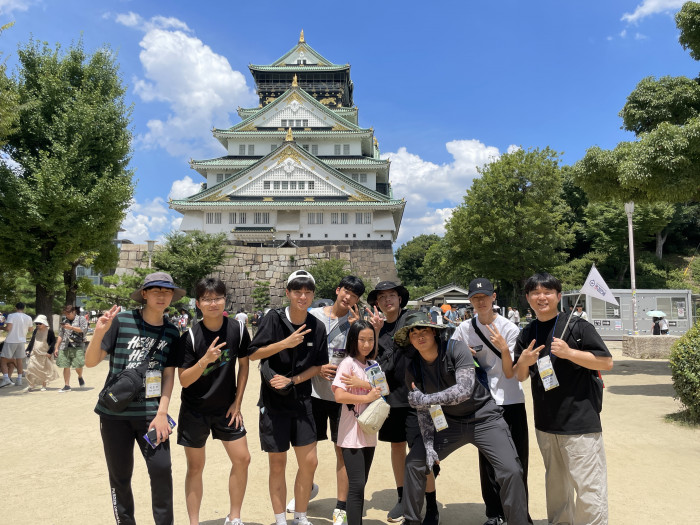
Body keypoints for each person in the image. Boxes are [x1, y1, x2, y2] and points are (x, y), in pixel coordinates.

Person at [396, 311, 529, 525]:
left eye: (424, 331)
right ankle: (411, 520)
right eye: (414, 333)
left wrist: (427, 398)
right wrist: (429, 446)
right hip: (448, 423)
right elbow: (422, 410)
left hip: (484, 418)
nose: (419, 336)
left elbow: (464, 390)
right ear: (410, 340)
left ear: (434, 333)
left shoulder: (455, 349)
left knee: (511, 471)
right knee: (415, 462)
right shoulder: (413, 366)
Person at [85, 271, 185, 525]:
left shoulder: (172, 333)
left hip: (151, 416)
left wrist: (162, 413)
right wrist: (99, 332)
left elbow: (169, 376)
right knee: (120, 477)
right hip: (114, 415)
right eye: (156, 290)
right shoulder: (122, 321)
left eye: (167, 291)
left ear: (172, 296)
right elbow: (91, 361)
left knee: (162, 471)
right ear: (144, 294)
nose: (162, 296)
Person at [514, 272, 613, 525]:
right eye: (535, 292)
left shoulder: (578, 326)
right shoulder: (527, 333)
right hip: (546, 425)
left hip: (580, 422)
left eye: (547, 292)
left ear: (559, 296)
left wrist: (570, 353)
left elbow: (606, 361)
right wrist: (523, 362)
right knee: (556, 489)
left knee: (590, 490)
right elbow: (520, 376)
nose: (541, 297)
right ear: (528, 298)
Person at [248, 270, 329, 525]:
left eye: (307, 292)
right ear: (288, 293)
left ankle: (301, 516)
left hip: (302, 400)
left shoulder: (317, 327)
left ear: (313, 295)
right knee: (277, 464)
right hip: (273, 403)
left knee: (309, 462)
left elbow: (318, 365)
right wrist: (286, 343)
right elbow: (253, 354)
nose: (302, 296)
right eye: (297, 291)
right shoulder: (273, 318)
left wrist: (293, 380)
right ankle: (281, 519)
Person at [451, 278, 531, 525]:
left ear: (493, 297)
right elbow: (449, 353)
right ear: (470, 301)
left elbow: (513, 372)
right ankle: (494, 513)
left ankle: (518, 513)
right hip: (483, 402)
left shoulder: (509, 328)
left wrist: (504, 348)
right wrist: (462, 352)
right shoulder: (465, 328)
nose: (480, 301)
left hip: (511, 400)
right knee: (488, 461)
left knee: (517, 461)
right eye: (475, 298)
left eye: (484, 296)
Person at [289, 275, 365, 525]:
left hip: (340, 397)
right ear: (338, 289)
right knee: (307, 451)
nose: (348, 298)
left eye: (354, 296)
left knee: (341, 451)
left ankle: (341, 506)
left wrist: (358, 328)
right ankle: (307, 489)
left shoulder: (355, 322)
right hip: (312, 393)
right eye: (346, 291)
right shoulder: (313, 315)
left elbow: (364, 356)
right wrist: (316, 368)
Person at [178, 277, 251, 525]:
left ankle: (235, 517)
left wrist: (237, 402)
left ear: (225, 300)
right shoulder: (190, 335)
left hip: (226, 408)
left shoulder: (238, 330)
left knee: (243, 458)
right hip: (194, 410)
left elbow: (243, 367)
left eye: (217, 298)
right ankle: (194, 522)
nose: (213, 303)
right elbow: (184, 380)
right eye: (207, 299)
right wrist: (205, 360)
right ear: (198, 303)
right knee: (195, 467)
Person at [367, 281, 438, 525]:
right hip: (389, 399)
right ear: (376, 303)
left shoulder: (412, 319)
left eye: (392, 295)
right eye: (382, 297)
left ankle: (431, 505)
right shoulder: (375, 327)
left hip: (416, 397)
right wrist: (375, 333)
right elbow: (370, 362)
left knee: (420, 452)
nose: (388, 300)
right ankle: (402, 496)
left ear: (400, 298)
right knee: (396, 448)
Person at [332, 320, 382, 525]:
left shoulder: (373, 365)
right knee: (356, 485)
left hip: (368, 430)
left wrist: (363, 384)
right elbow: (340, 396)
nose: (366, 344)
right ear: (353, 340)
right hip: (352, 430)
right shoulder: (347, 364)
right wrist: (367, 396)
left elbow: (384, 390)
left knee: (361, 485)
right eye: (362, 339)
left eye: (370, 339)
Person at [55, 305, 88, 392]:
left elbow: (83, 329)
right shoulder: (64, 321)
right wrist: (56, 348)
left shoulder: (81, 319)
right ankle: (67, 385)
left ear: (74, 312)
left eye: (68, 313)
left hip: (77, 345)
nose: (67, 315)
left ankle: (80, 376)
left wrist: (71, 327)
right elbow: (60, 335)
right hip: (65, 346)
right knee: (66, 365)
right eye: (66, 314)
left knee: (78, 365)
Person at [0, 302, 33, 387]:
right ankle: (19, 380)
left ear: (16, 308)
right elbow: (30, 329)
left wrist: (1, 327)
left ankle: (6, 378)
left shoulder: (11, 316)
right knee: (19, 360)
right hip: (22, 340)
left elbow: (8, 328)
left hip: (11, 340)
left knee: (3, 360)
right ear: (24, 308)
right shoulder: (28, 317)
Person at [24, 314, 60, 391]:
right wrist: (28, 349)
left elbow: (53, 342)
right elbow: (32, 341)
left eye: (40, 323)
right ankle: (31, 385)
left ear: (44, 323)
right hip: (34, 353)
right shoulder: (35, 330)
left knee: (44, 370)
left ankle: (44, 385)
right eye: (36, 323)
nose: (38, 325)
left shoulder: (49, 331)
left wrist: (50, 352)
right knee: (30, 368)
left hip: (44, 354)